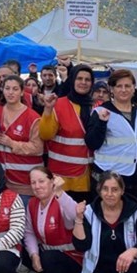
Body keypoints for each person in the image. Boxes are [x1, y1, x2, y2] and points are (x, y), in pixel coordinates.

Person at [85, 69, 137, 211]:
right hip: (113, 179)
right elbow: (92, 143)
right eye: (119, 86)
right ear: (112, 89)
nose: (123, 90)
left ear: (133, 88)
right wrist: (101, 123)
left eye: (127, 86)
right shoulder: (100, 112)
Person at [23, 167, 83, 273]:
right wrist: (34, 255)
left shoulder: (62, 200)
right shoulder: (32, 203)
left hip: (72, 257)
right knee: (22, 250)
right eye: (33, 183)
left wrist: (60, 192)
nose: (37, 186)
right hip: (49, 252)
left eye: (41, 181)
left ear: (52, 181)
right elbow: (29, 232)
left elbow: (76, 215)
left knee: (48, 258)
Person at [39, 65, 95, 202]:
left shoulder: (97, 106)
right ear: (72, 80)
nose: (83, 82)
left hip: (88, 178)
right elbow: (45, 135)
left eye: (87, 79)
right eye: (79, 78)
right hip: (62, 178)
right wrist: (47, 110)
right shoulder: (58, 104)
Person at [0, 75, 44, 198]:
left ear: (22, 92)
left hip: (23, 183)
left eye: (15, 89)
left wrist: (12, 144)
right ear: (2, 90)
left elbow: (38, 148)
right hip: (0, 182)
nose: (10, 92)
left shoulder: (33, 117)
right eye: (7, 88)